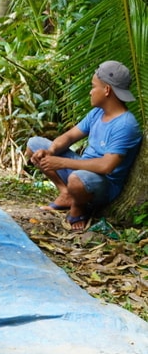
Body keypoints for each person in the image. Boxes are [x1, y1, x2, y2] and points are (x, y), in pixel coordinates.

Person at [25, 61, 142, 232]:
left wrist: (62, 163)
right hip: (81, 170)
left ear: (107, 90)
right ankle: (66, 193)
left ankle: (78, 208)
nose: (90, 91)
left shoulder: (125, 124)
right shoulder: (97, 113)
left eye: (93, 86)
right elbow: (70, 136)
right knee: (34, 144)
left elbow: (106, 166)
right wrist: (49, 152)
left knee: (77, 179)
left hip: (102, 184)